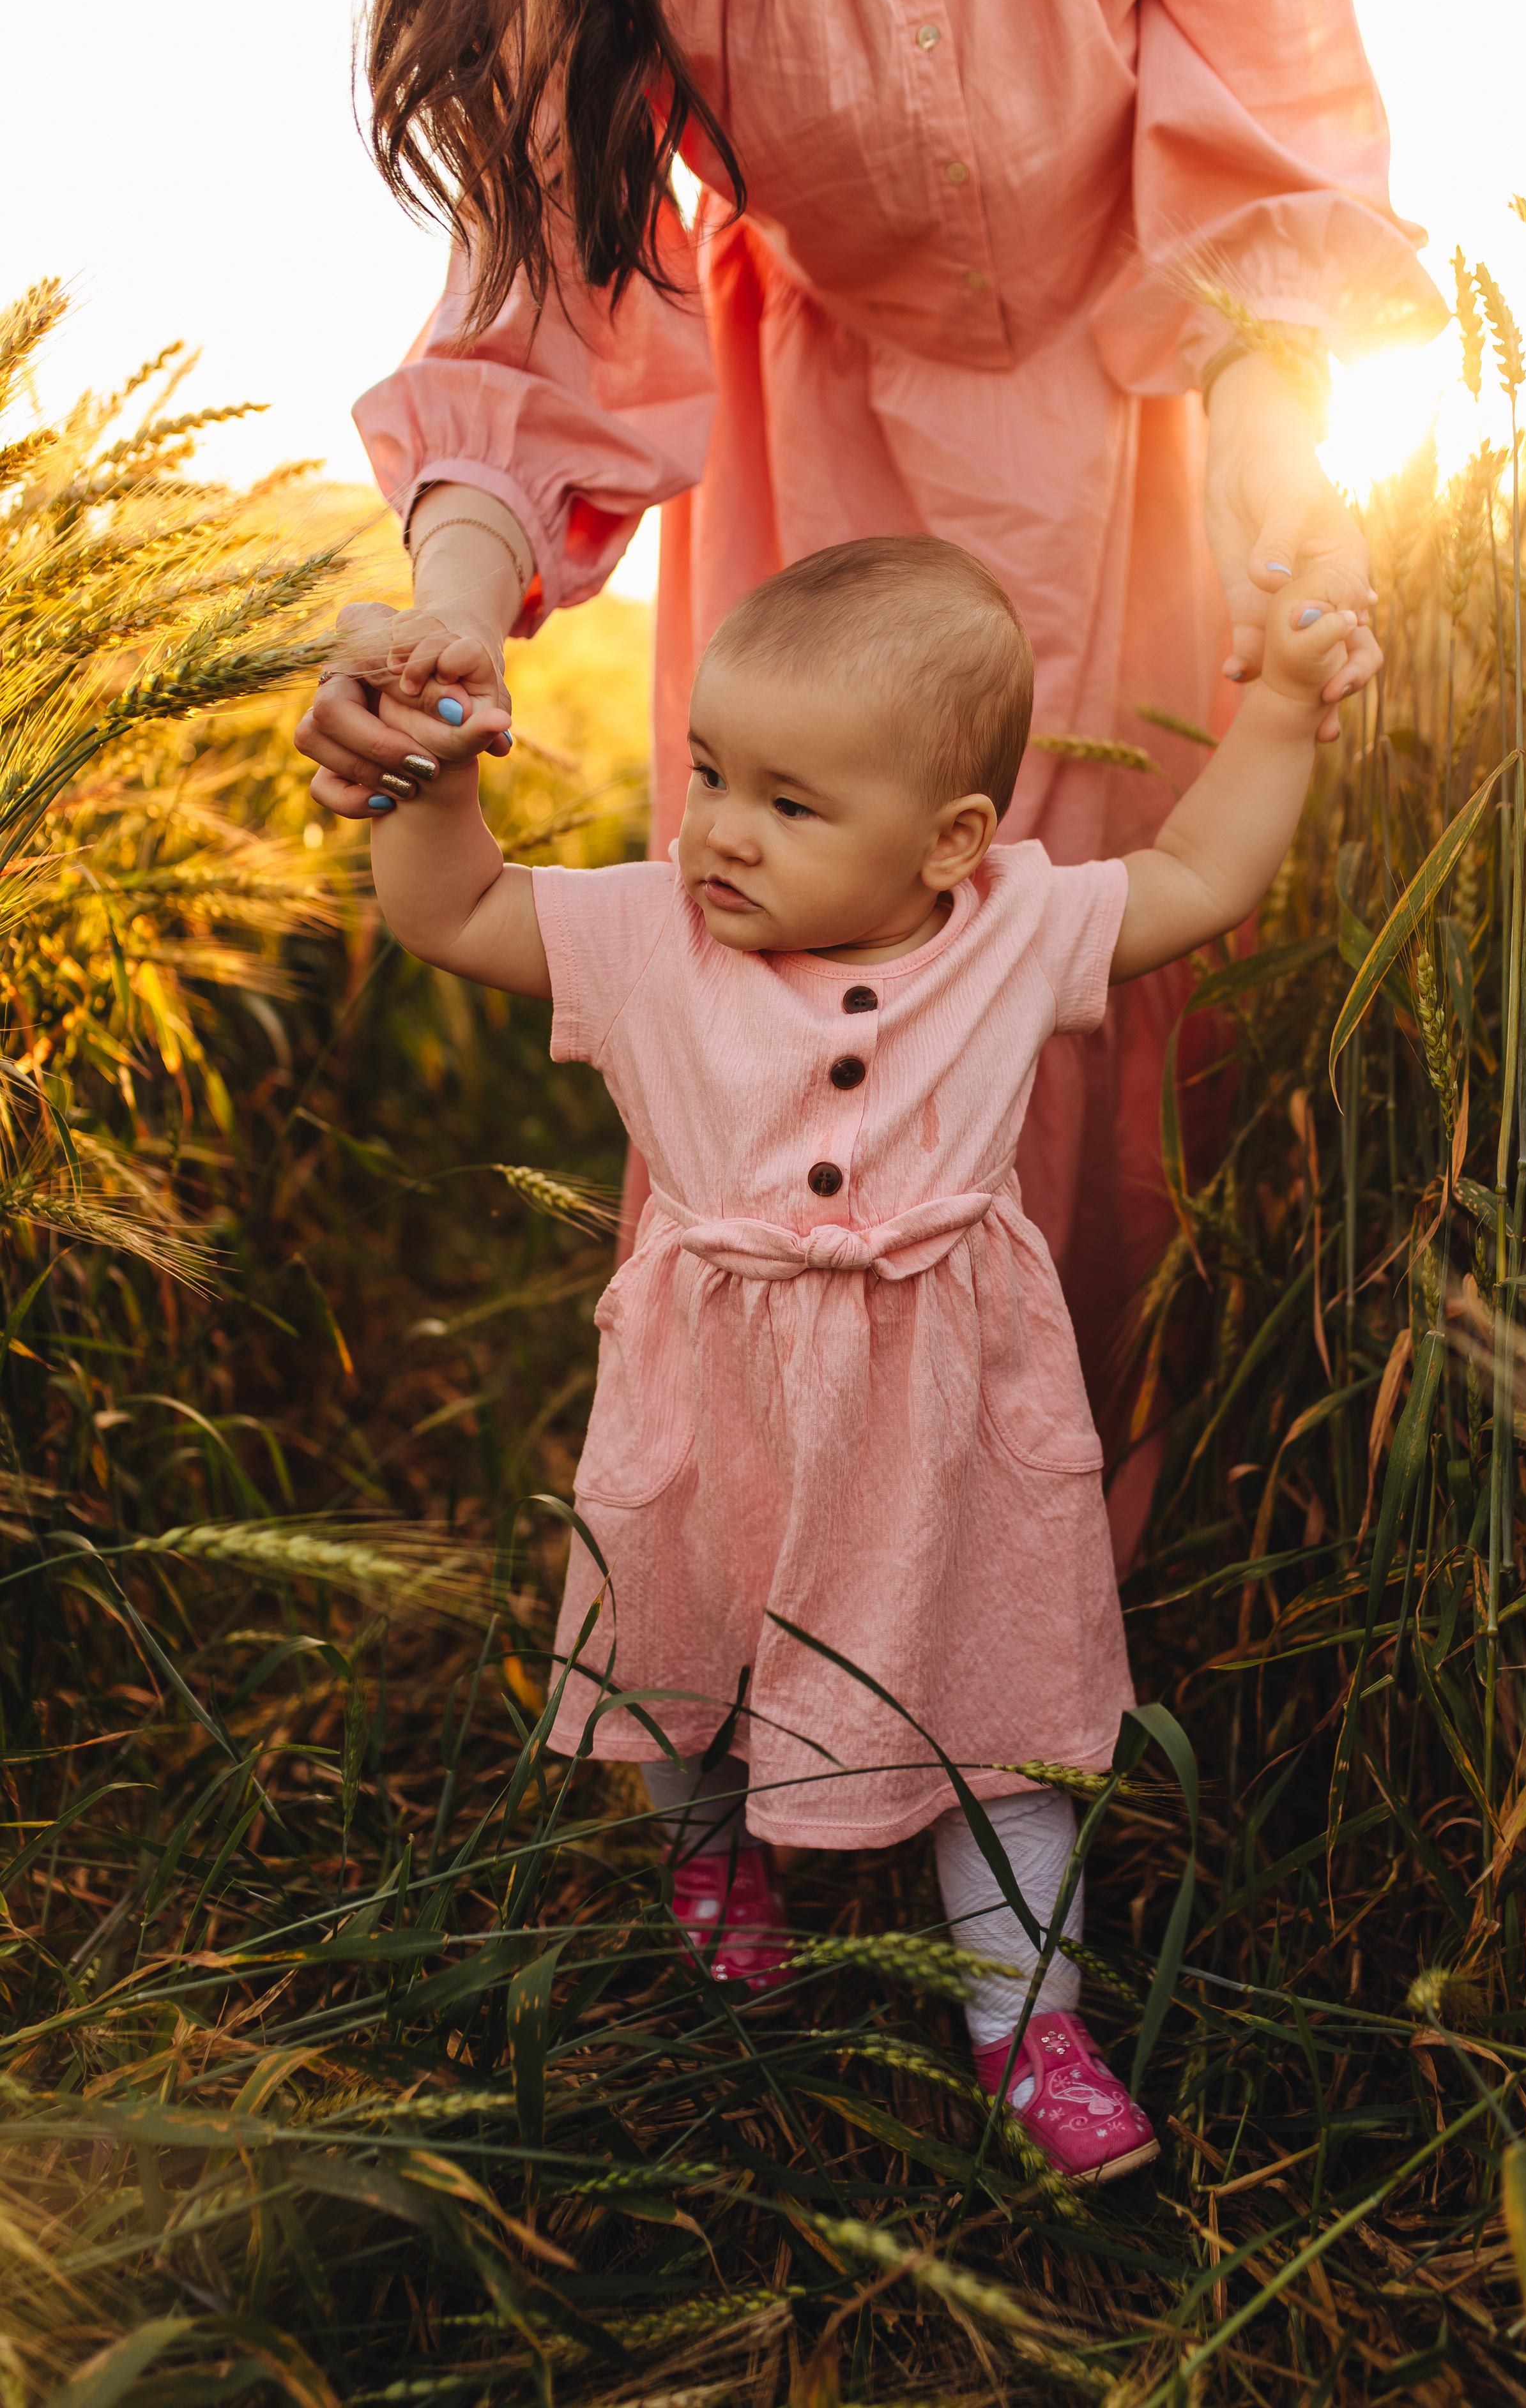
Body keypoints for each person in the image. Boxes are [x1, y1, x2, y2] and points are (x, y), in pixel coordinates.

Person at [297, 0, 1443, 1564]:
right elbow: (547, 306)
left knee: (1099, 1045)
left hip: (1137, 433)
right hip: (816, 468)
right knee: (779, 970)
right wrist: (449, 623)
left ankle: (1057, 1566)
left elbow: (1263, 148)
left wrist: (1273, 456)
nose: (718, 822)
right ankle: (763, 1564)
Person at [334, 532, 1359, 2181]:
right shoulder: (644, 937)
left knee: (997, 1699)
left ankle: (1031, 2020)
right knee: (672, 1649)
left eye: (792, 805)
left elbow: (1204, 878)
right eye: (710, 772)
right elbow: (450, 911)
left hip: (946, 1407)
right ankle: (713, 1854)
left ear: (954, 842)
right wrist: (435, 782)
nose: (723, 830)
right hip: (708, 1387)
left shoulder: (1010, 933)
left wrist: (1290, 706)